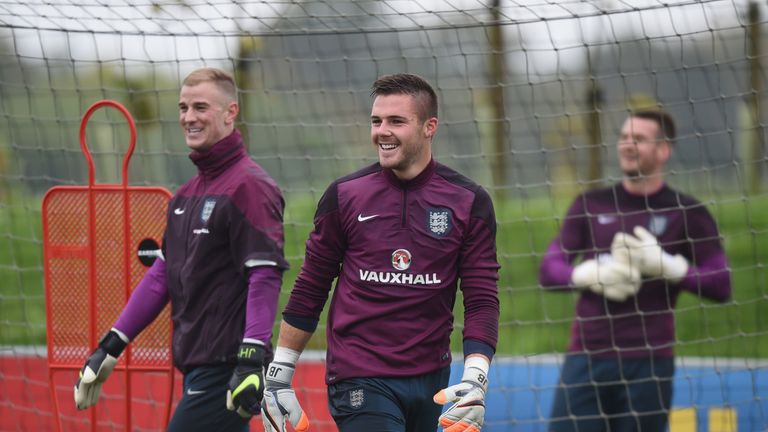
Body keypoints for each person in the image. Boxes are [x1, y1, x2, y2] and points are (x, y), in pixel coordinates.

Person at [259, 73, 500, 432]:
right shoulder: (344, 196)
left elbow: (481, 299)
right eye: (377, 121)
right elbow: (311, 287)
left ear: (429, 126)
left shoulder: (469, 201)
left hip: (430, 380)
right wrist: (279, 376)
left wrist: (476, 376)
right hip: (359, 375)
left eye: (396, 121)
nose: (382, 132)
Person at [73, 67, 289, 431]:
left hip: (227, 366)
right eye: (183, 107)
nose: (189, 117)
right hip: (197, 365)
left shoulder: (250, 187)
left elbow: (265, 275)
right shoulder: (184, 197)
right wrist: (111, 345)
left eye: (201, 107)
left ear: (230, 112)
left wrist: (251, 358)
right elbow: (162, 276)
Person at [539, 109, 732, 431]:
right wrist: (587, 274)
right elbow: (549, 268)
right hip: (587, 357)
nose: (628, 145)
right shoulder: (590, 204)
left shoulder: (687, 211)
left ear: (663, 150)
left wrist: (669, 267)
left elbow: (721, 283)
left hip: (649, 362)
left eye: (639, 139)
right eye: (624, 137)